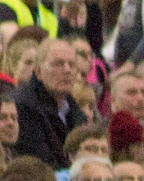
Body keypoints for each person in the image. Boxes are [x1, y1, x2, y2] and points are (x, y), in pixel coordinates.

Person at [14, 38, 88, 169]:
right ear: (38, 72)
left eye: (72, 65)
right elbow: (41, 163)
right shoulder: (24, 107)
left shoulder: (75, 111)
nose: (67, 70)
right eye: (58, 64)